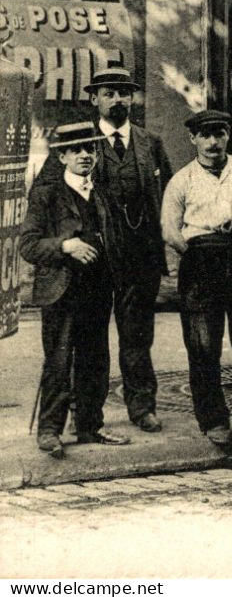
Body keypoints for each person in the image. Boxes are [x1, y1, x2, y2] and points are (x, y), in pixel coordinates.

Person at [20, 123, 127, 458]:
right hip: (62, 292)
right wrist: (66, 245)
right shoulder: (46, 195)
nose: (85, 155)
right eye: (77, 150)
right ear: (62, 155)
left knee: (96, 360)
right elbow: (28, 245)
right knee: (59, 361)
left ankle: (89, 426)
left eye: (90, 149)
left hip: (97, 289)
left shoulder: (102, 192)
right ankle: (50, 431)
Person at [160, 110, 232, 450]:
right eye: (205, 134)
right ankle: (215, 420)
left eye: (219, 133)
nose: (213, 141)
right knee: (204, 346)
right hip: (201, 263)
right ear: (194, 139)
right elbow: (169, 229)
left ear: (228, 135)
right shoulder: (182, 180)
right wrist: (192, 250)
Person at [84, 65, 171, 433]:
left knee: (137, 337)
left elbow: (167, 197)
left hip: (139, 258)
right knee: (89, 337)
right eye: (109, 93)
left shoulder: (150, 143)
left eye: (123, 92)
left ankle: (142, 407)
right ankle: (86, 413)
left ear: (132, 98)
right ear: (94, 99)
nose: (117, 99)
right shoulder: (79, 142)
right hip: (95, 259)